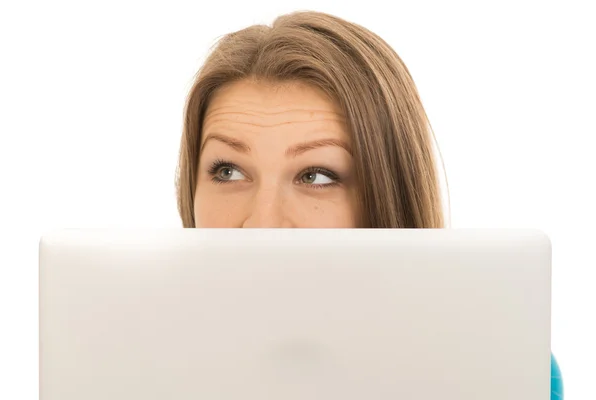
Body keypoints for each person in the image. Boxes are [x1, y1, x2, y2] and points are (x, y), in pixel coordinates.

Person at [174, 10, 562, 398]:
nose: (262, 225)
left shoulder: (504, 367)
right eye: (227, 171)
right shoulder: (140, 353)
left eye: (316, 176)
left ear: (388, 191)